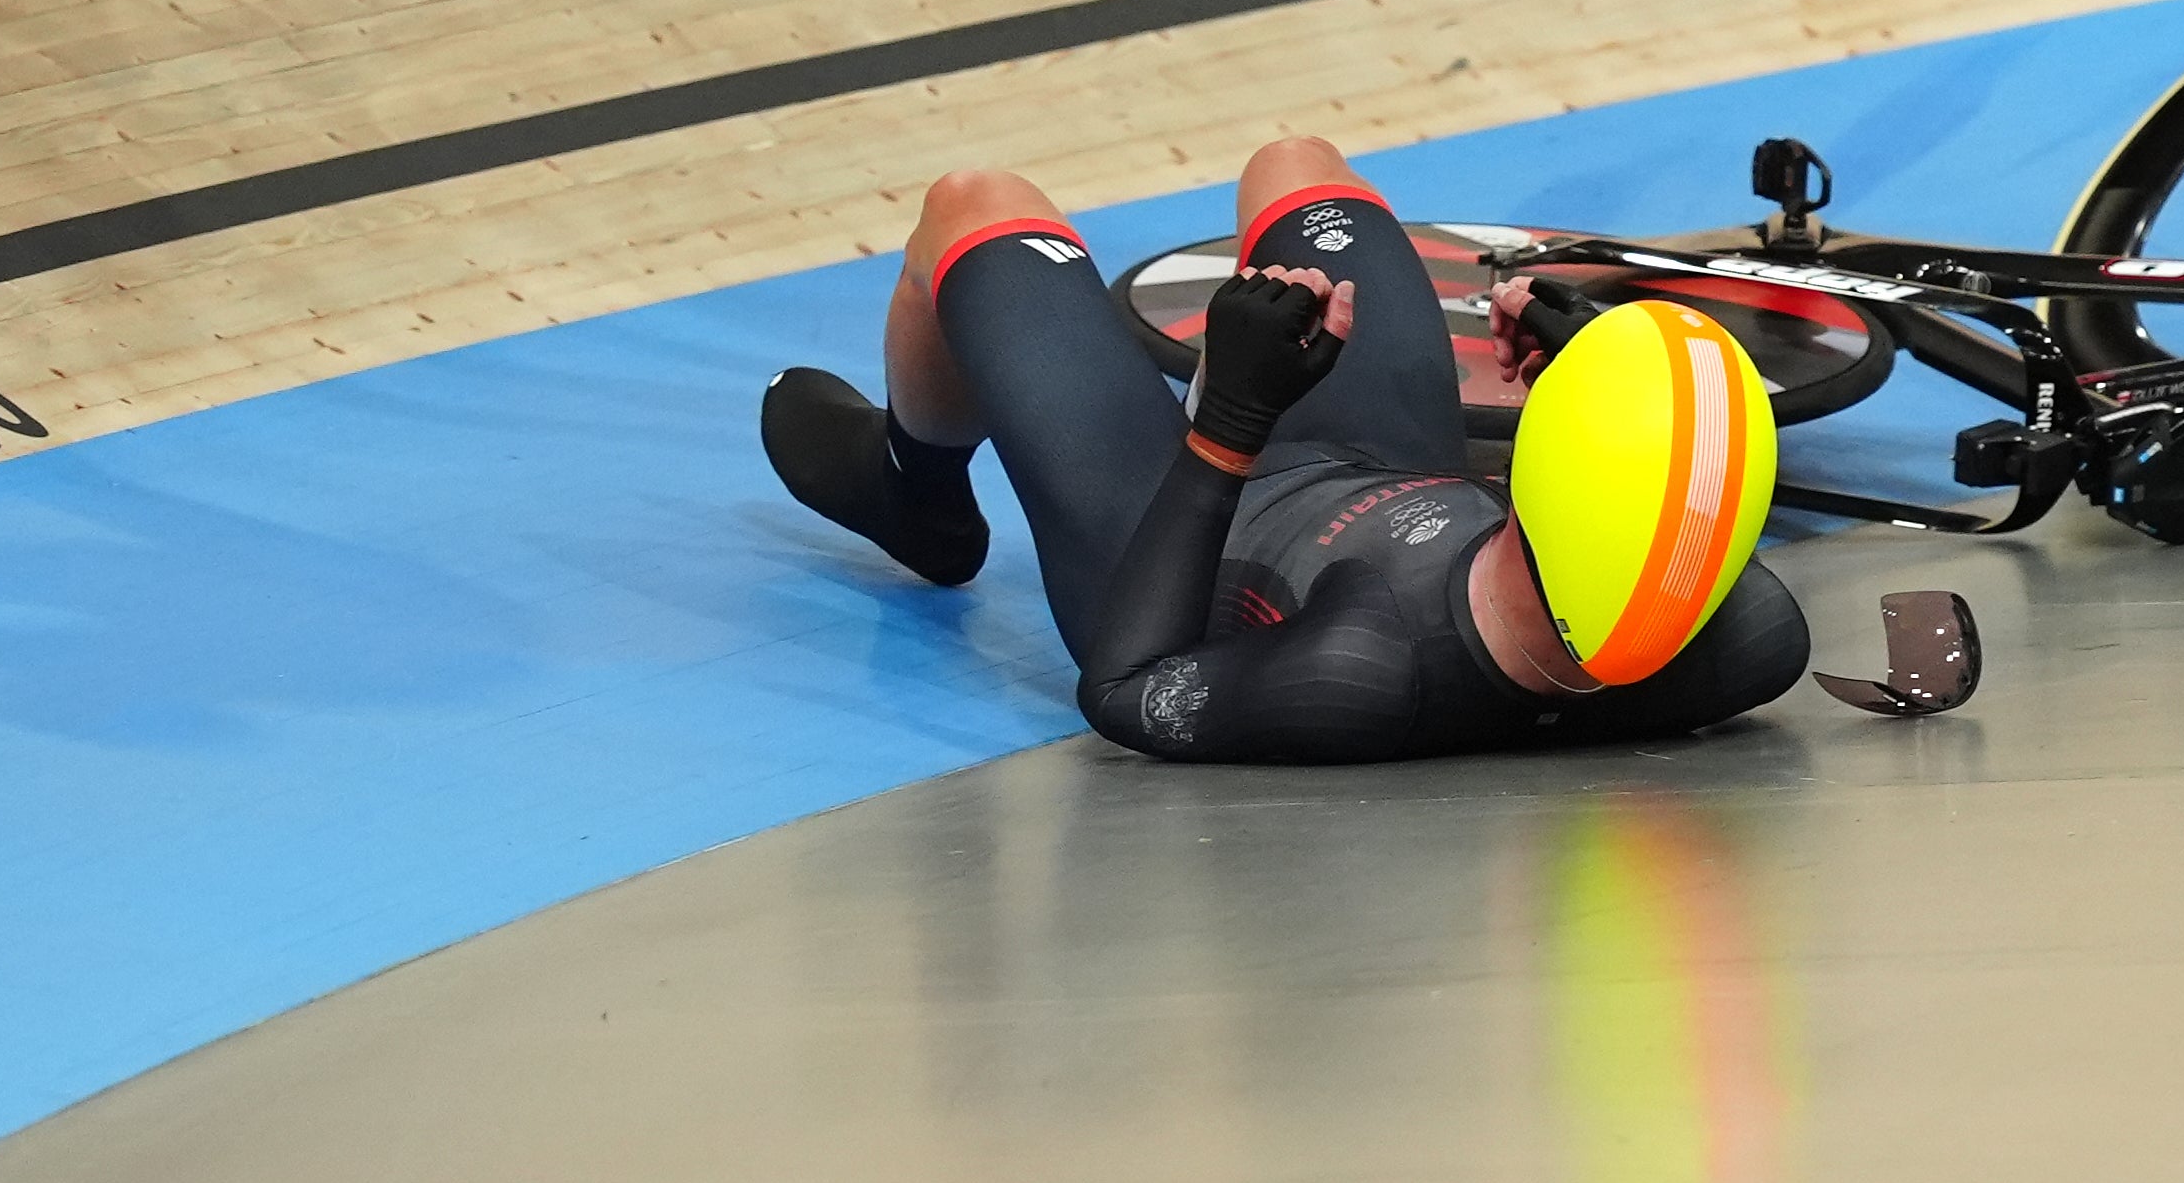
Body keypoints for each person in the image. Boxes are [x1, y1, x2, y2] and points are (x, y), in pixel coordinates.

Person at [759, 136, 1813, 760]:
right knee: (1296, 167)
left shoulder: (1360, 671)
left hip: (1163, 551)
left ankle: (919, 490)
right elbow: (1679, 494)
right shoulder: (1749, 633)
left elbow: (1125, 689)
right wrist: (1589, 372)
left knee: (972, 207)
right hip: (1382, 474)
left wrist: (1230, 425)